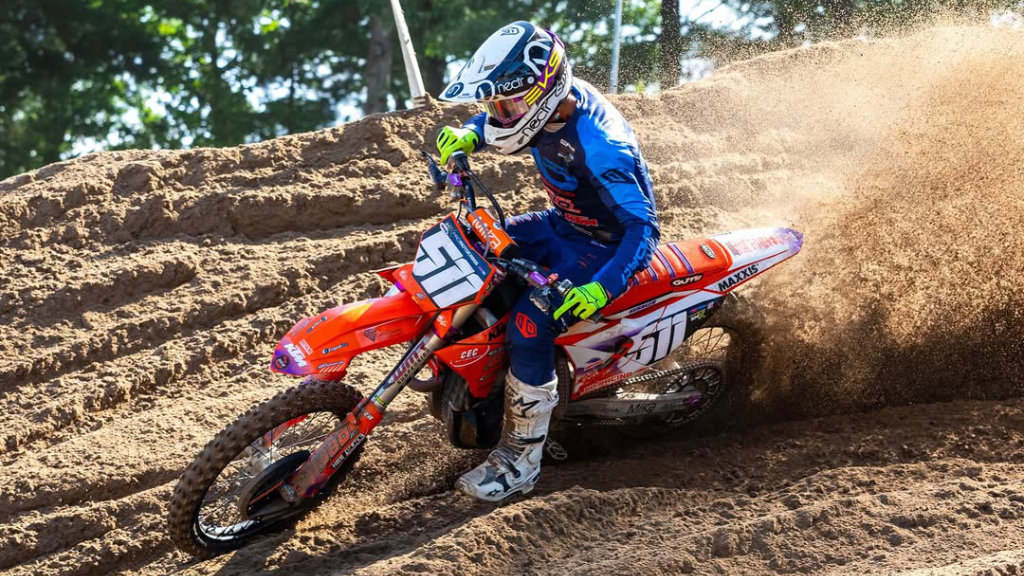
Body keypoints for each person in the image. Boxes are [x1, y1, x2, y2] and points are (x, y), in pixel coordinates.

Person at [435, 21, 660, 502]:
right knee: (466, 243)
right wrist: (470, 133)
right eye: (494, 108)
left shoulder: (603, 148)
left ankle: (521, 458)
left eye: (506, 107)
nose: (499, 117)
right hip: (562, 224)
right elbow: (500, 123)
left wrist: (601, 288)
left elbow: (644, 228)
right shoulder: (550, 105)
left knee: (530, 325)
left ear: (544, 93)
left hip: (604, 248)